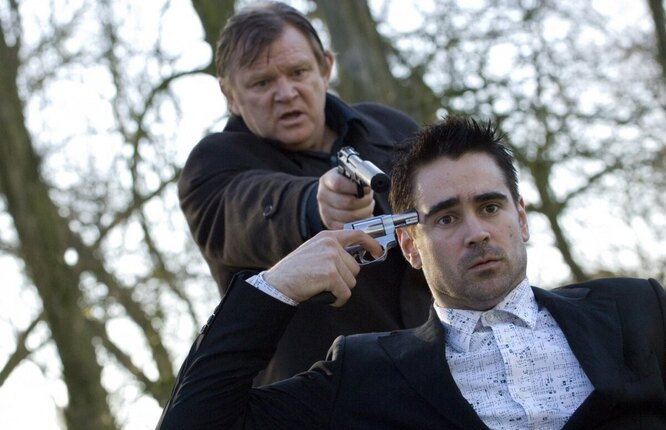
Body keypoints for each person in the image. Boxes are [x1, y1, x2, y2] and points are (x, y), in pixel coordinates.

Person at [158, 116, 666, 429]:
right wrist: (276, 286)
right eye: (446, 218)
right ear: (409, 246)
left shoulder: (636, 309)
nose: (476, 233)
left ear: (522, 218)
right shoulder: (364, 376)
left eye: (490, 207)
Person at [177, 2, 431, 384]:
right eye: (261, 83)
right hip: (320, 393)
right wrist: (315, 205)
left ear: (325, 68)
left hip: (440, 371)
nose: (285, 93)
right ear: (230, 95)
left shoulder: (391, 127)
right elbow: (247, 210)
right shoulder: (212, 163)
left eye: (298, 72)